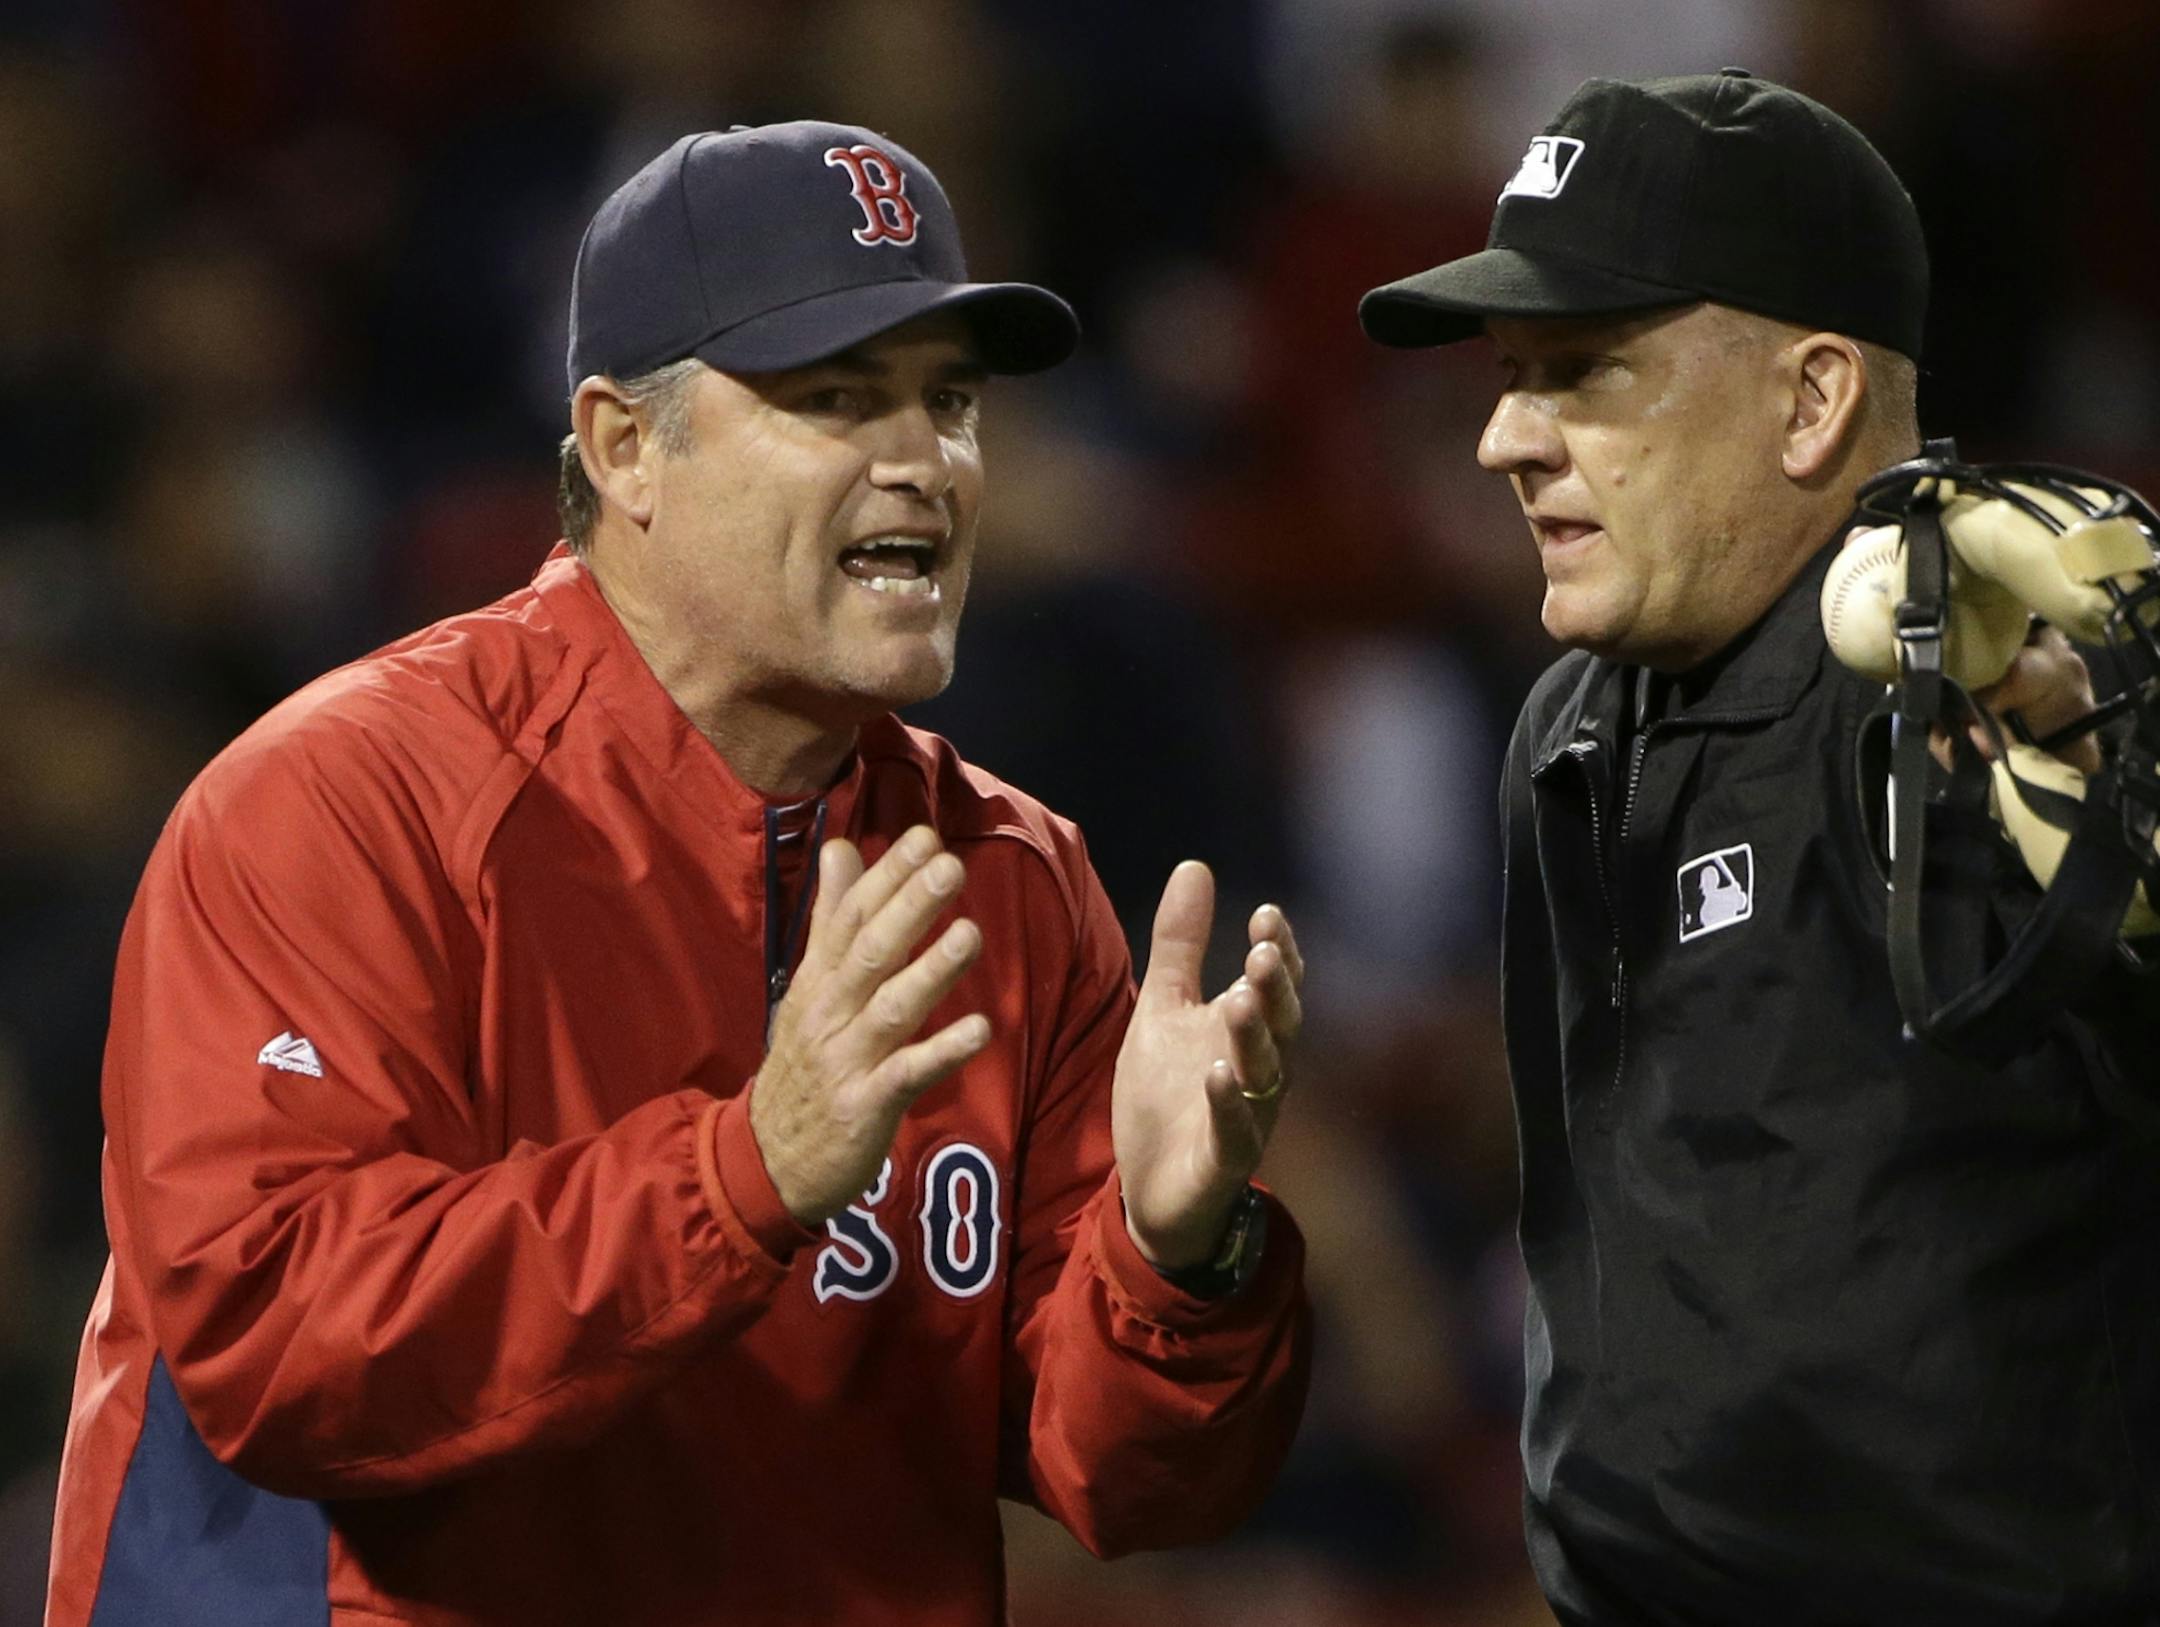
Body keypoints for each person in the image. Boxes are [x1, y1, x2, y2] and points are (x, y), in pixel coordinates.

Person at [49, 122, 1312, 1627]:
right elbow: (283, 1352)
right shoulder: (345, 804)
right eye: (839, 398)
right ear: (624, 444)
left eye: (950, 403)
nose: (923, 461)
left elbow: (1130, 1484)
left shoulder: (1012, 882)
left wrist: (1182, 1262)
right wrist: (744, 1173)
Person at [1360, 70, 2160, 1626]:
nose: (1505, 442)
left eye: (1583, 371)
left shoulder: (1992, 664)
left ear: (1811, 401)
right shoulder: (1567, 729)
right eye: (1509, 375)